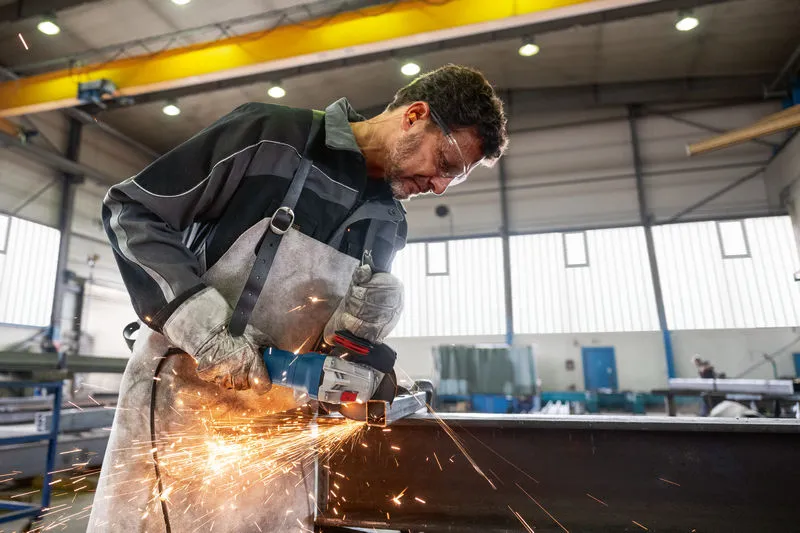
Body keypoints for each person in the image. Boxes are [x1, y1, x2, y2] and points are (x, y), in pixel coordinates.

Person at [88, 64, 508, 532]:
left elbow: (333, 346)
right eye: (446, 163)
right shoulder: (272, 138)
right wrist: (204, 332)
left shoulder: (389, 223)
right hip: (182, 403)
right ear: (414, 115)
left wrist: (355, 342)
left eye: (457, 178)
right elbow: (133, 211)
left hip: (282, 427)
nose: (440, 185)